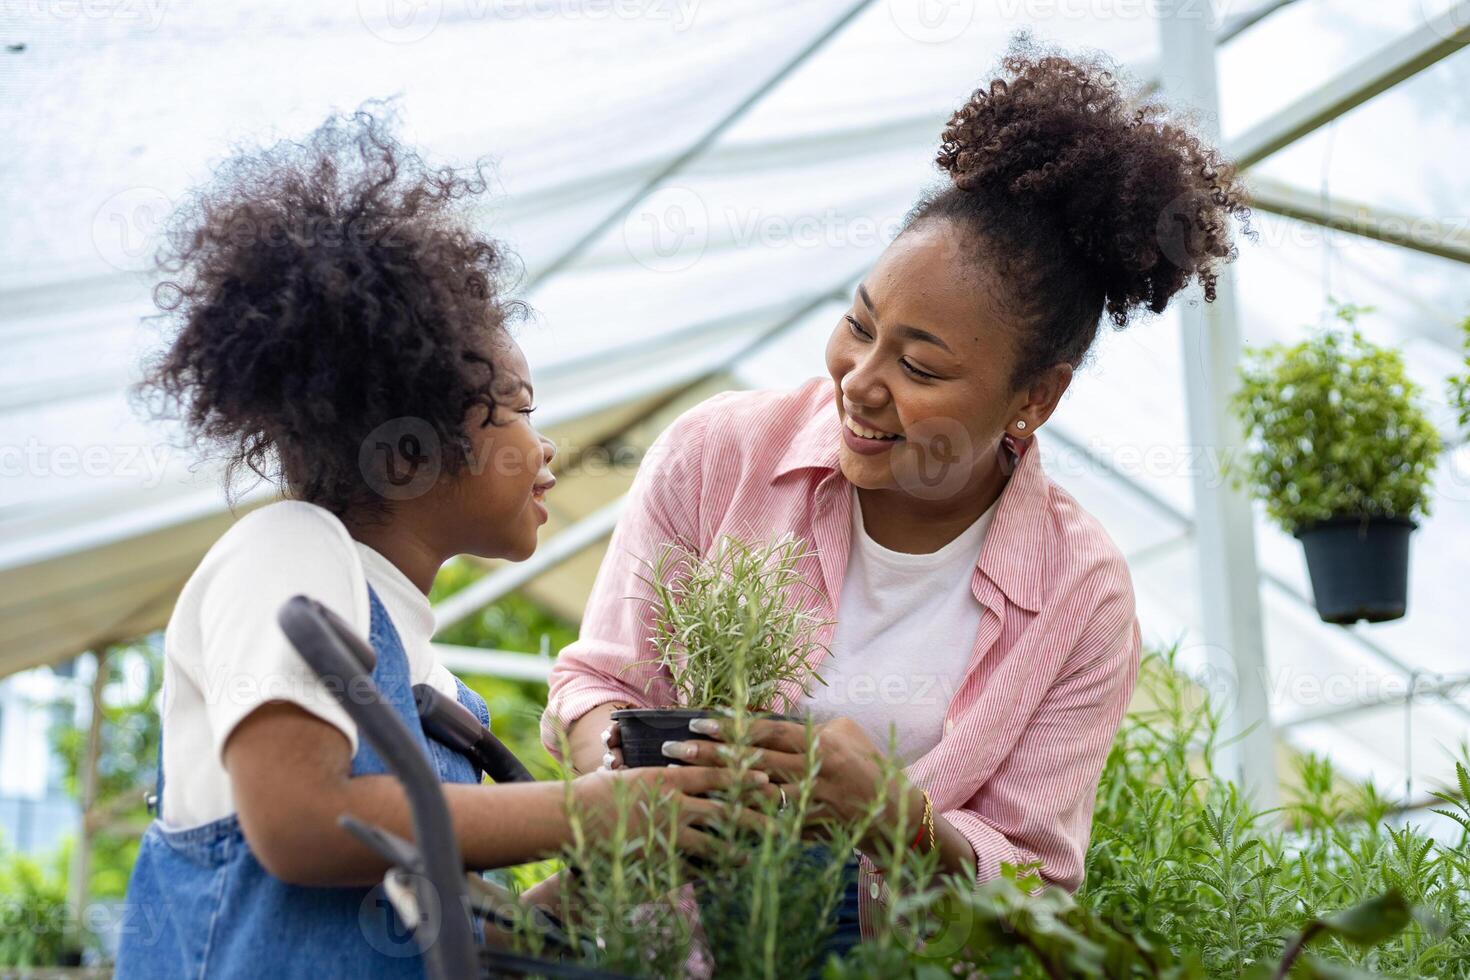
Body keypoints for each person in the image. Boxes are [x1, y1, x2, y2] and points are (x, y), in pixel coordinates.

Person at [542, 40, 1248, 950]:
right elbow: (599, 681)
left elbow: (1037, 889)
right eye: (857, 325)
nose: (859, 381)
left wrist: (895, 818)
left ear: (1035, 399)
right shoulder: (719, 456)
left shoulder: (1081, 594)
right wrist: (640, 776)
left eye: (918, 365)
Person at [114, 107, 759, 979]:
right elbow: (304, 821)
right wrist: (595, 809)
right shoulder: (292, 548)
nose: (548, 446)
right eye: (524, 410)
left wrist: (603, 871)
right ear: (413, 452)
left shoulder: (434, 680)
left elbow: (428, 932)